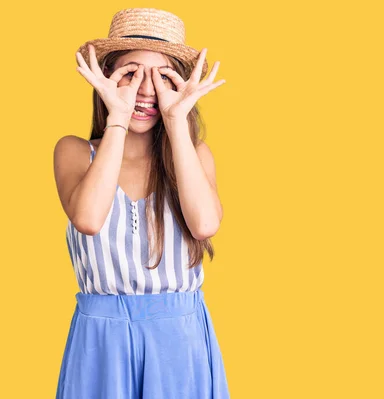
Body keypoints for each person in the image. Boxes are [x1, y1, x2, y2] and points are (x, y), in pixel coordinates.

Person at [53, 7, 230, 398]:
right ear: (107, 78)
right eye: (131, 72)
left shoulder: (195, 155)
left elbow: (204, 225)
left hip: (180, 346)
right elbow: (88, 218)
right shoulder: (75, 152)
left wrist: (176, 122)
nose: (146, 89)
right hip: (100, 343)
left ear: (181, 84)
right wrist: (117, 116)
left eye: (163, 75)